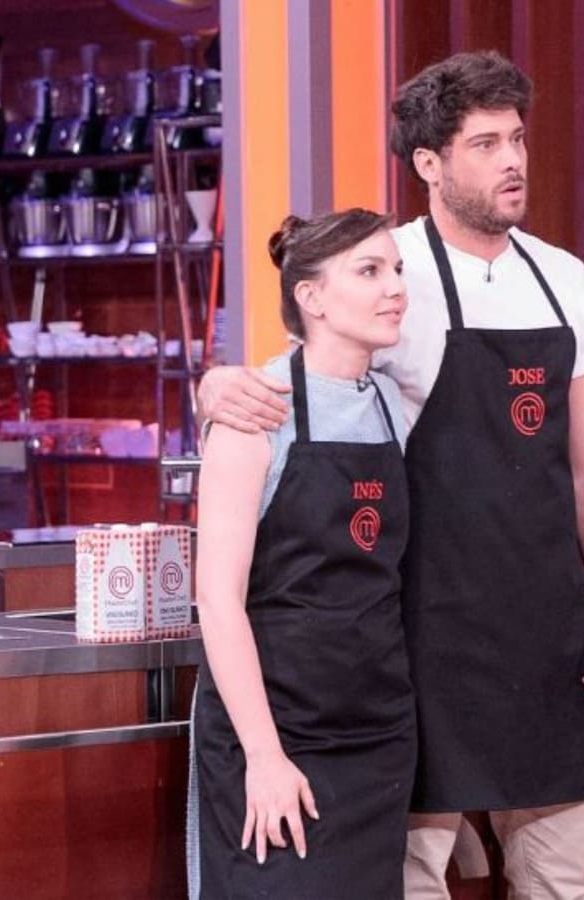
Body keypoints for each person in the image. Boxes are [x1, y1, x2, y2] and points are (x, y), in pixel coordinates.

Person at [200, 51, 584, 898]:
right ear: (430, 164)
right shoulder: (383, 269)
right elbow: (294, 384)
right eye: (486, 144)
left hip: (552, 635)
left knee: (562, 880)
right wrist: (213, 386)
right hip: (422, 634)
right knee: (412, 881)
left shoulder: (565, 279)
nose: (513, 161)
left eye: (518, 139)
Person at [189, 208, 417, 898]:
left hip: (377, 732)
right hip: (276, 730)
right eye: (369, 271)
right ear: (311, 297)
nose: (395, 288)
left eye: (397, 270)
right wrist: (264, 757)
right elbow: (218, 602)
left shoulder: (393, 402)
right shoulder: (254, 411)